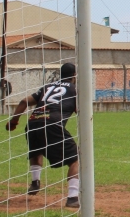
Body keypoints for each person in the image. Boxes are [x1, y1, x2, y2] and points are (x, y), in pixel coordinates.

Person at [6, 63, 80, 208]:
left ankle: (35, 182)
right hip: (52, 123)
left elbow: (24, 101)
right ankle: (72, 198)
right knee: (76, 159)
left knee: (37, 149)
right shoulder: (74, 90)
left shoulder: (48, 87)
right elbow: (79, 110)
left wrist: (14, 121)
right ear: (74, 76)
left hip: (33, 122)